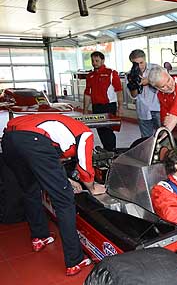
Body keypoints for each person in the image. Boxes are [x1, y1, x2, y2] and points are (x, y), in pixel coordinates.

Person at [1, 114, 106, 276]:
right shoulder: (86, 134)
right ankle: (74, 260)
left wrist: (68, 182)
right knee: (64, 201)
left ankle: (40, 237)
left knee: (30, 190)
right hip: (34, 141)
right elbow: (85, 167)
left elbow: (46, 160)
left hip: (9, 140)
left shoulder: (61, 128)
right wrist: (92, 188)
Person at [83, 51, 123, 151]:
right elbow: (87, 93)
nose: (94, 63)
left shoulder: (111, 73)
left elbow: (119, 91)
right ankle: (106, 150)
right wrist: (85, 110)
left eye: (97, 60)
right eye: (92, 61)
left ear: (103, 60)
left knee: (108, 130)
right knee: (100, 130)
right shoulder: (90, 76)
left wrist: (120, 107)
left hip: (109, 106)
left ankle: (111, 151)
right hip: (96, 107)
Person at [127, 49, 162, 138]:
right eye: (136, 64)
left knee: (164, 135)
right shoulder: (130, 75)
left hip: (158, 107)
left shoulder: (156, 68)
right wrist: (134, 84)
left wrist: (149, 80)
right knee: (146, 138)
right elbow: (134, 96)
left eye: (141, 62)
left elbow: (165, 85)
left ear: (145, 59)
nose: (139, 66)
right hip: (143, 109)